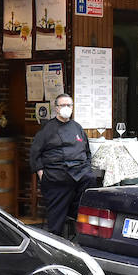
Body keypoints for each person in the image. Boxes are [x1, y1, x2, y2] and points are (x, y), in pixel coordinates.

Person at [30, 93, 92, 237]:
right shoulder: (47, 129)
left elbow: (87, 151)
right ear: (56, 109)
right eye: (63, 105)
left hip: (80, 173)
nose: (66, 108)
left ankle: (82, 233)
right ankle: (55, 237)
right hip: (57, 174)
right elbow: (34, 153)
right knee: (56, 217)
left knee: (91, 183)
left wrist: (87, 167)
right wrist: (41, 173)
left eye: (69, 105)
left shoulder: (77, 128)